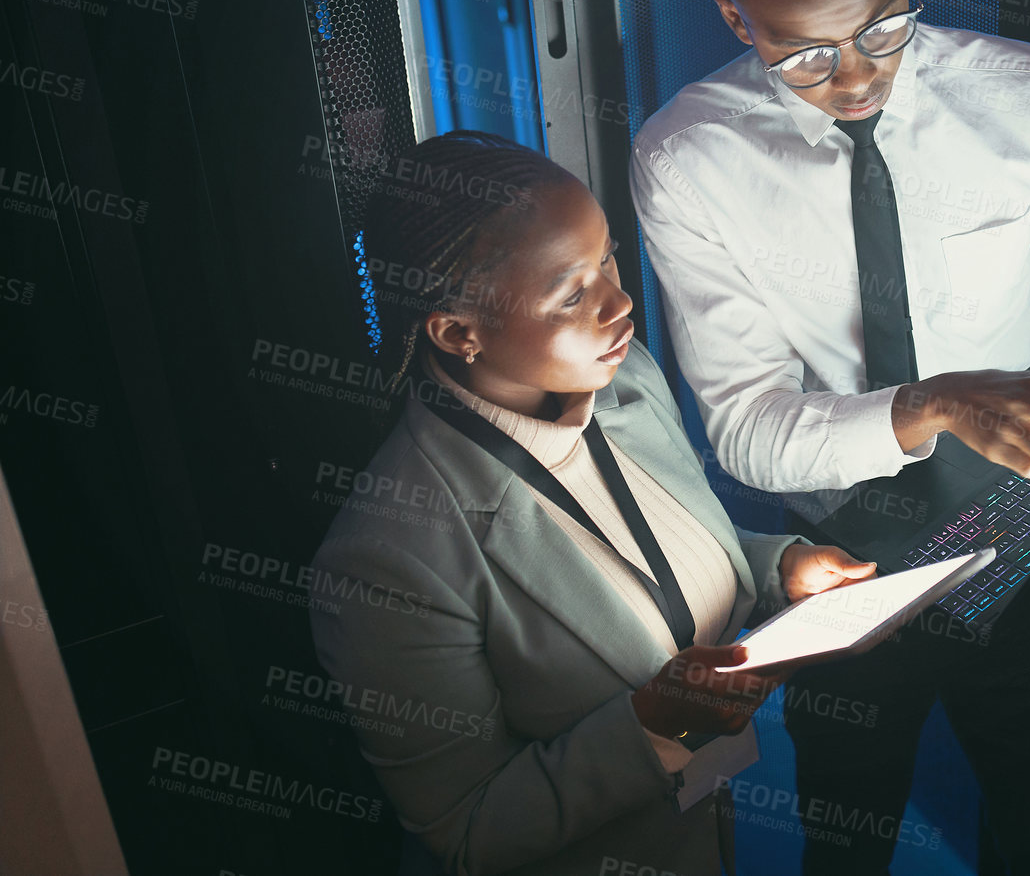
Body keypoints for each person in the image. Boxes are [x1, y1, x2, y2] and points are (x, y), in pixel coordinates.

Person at [629, 0, 1030, 874]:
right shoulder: (685, 158)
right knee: (846, 842)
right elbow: (743, 428)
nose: (852, 78)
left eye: (882, 28)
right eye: (801, 54)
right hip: (843, 569)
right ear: (734, 15)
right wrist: (928, 404)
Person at [308, 130, 876, 876]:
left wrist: (781, 569)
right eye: (571, 293)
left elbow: (650, 556)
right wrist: (651, 727)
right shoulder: (390, 556)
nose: (619, 301)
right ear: (457, 332)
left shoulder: (626, 379)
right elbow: (468, 830)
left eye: (606, 255)